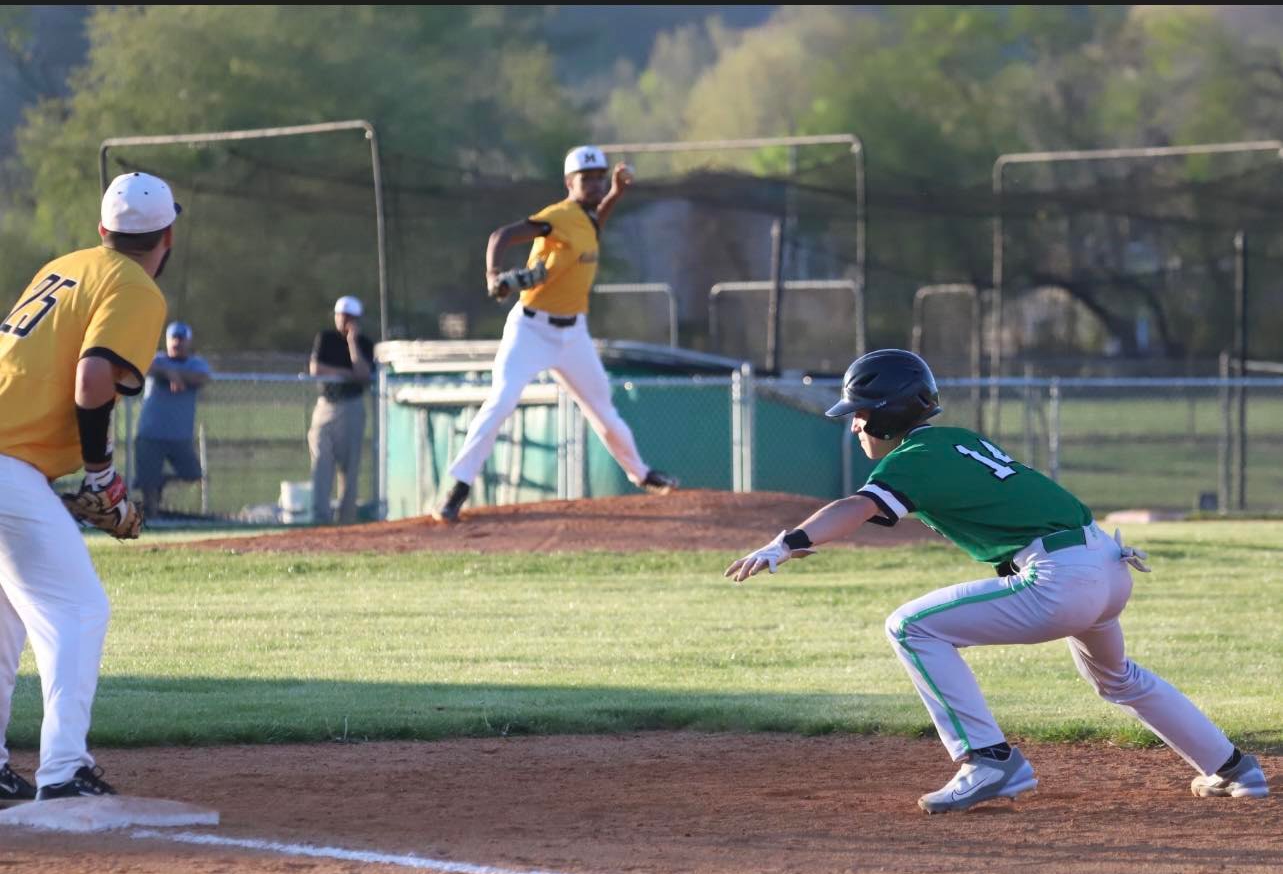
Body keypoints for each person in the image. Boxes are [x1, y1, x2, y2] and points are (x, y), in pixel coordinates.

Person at [725, 348, 1268, 813]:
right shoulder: (954, 441)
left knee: (911, 627)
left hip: (1061, 578)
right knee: (1117, 678)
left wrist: (787, 544)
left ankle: (988, 760)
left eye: (861, 413)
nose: (855, 425)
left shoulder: (914, 457)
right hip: (1106, 561)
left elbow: (857, 507)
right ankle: (1235, 769)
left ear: (888, 415)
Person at [0, 170, 181, 801]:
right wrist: (102, 474)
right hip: (6, 466)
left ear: (103, 231)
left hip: (10, 464)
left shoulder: (63, 266)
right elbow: (93, 379)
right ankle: (64, 770)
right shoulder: (135, 286)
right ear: (169, 239)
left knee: (6, 620)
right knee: (77, 611)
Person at [433, 145, 678, 524]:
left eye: (599, 177)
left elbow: (595, 224)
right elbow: (502, 235)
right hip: (530, 329)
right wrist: (493, 276)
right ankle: (459, 486)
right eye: (587, 179)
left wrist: (616, 193)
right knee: (502, 401)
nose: (595, 184)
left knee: (604, 412)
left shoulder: (586, 219)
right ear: (569, 182)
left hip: (573, 334)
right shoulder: (558, 216)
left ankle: (642, 474)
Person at [133, 320, 211, 518]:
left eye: (181, 339)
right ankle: (153, 516)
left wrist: (177, 375)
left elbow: (201, 378)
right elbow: (143, 366)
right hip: (150, 434)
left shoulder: (195, 364)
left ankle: (162, 481)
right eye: (173, 339)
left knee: (193, 475)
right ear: (167, 341)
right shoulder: (157, 360)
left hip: (179, 436)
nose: (177, 343)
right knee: (148, 482)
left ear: (189, 342)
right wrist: (169, 373)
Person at [308, 295, 374, 525]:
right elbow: (316, 368)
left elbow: (364, 374)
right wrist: (345, 375)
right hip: (326, 406)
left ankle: (346, 520)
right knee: (321, 463)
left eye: (348, 317)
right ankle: (320, 519)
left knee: (350, 468)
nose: (343, 321)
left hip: (351, 408)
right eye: (340, 315)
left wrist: (352, 342)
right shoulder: (325, 338)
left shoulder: (364, 343)